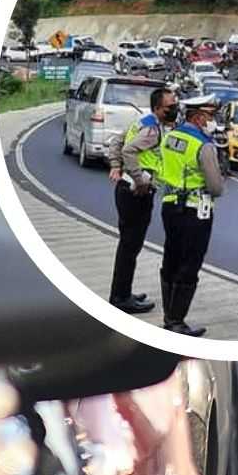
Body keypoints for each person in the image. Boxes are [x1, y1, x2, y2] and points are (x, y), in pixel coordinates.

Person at [155, 94, 228, 336]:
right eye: (209, 116)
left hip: (169, 205)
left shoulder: (171, 136)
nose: (212, 121)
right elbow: (216, 187)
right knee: (190, 263)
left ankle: (169, 316)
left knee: (171, 258)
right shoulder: (203, 145)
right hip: (195, 210)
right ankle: (176, 321)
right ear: (197, 118)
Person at [106, 85, 175, 314]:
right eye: (170, 107)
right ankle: (120, 298)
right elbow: (128, 150)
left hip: (126, 190)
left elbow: (116, 142)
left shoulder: (141, 121)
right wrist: (139, 179)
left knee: (128, 246)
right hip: (136, 192)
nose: (174, 110)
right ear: (157, 108)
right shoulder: (152, 130)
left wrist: (115, 166)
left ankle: (122, 291)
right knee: (130, 247)